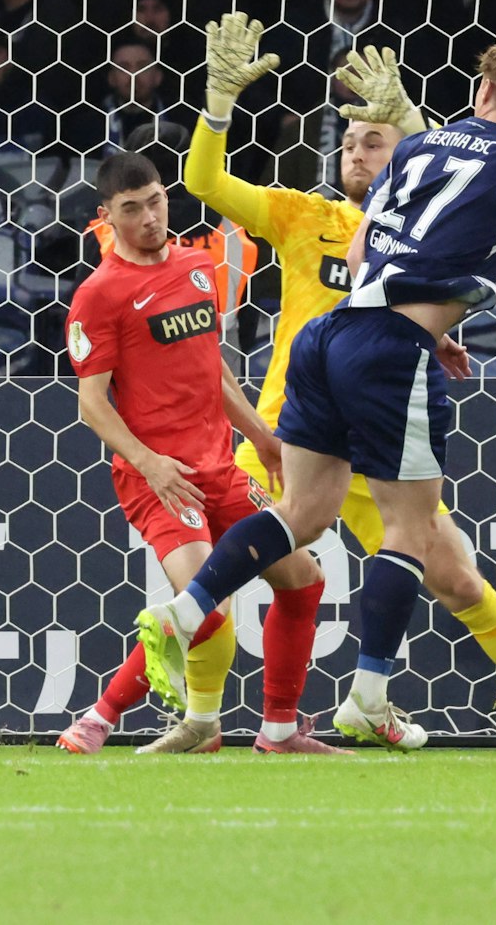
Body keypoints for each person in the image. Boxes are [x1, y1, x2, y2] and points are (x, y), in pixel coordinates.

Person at [135, 35, 496, 747]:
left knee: (302, 514)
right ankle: (366, 696)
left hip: (329, 339)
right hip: (391, 354)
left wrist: (416, 307)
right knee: (412, 532)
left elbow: (364, 248)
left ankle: (182, 613)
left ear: (484, 89)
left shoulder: (420, 147)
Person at [55, 150, 338, 756]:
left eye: (156, 201)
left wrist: (261, 437)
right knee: (205, 609)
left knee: (303, 580)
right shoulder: (99, 295)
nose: (149, 218)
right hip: (159, 477)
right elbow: (92, 404)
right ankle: (102, 717)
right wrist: (150, 463)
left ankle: (279, 730)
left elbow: (212, 367)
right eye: (132, 209)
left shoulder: (197, 266)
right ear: (107, 215)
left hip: (221, 466)